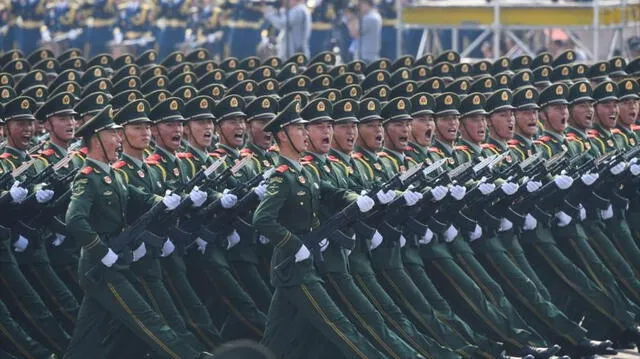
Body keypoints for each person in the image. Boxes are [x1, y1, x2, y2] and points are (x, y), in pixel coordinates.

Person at [64, 104, 215, 358]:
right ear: (97, 139)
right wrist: (101, 252)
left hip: (112, 262)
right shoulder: (88, 177)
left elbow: (145, 198)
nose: (118, 138)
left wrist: (169, 201)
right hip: (100, 266)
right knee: (147, 320)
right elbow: (74, 220)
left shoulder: (114, 175)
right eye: (113, 134)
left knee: (87, 335)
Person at [252, 100, 389, 359]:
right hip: (295, 266)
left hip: (297, 268)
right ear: (282, 135)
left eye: (306, 129)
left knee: (276, 339)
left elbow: (333, 193)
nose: (305, 134)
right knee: (339, 325)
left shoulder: (305, 172)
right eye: (299, 129)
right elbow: (262, 219)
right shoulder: (281, 177)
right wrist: (295, 245)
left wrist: (355, 200)